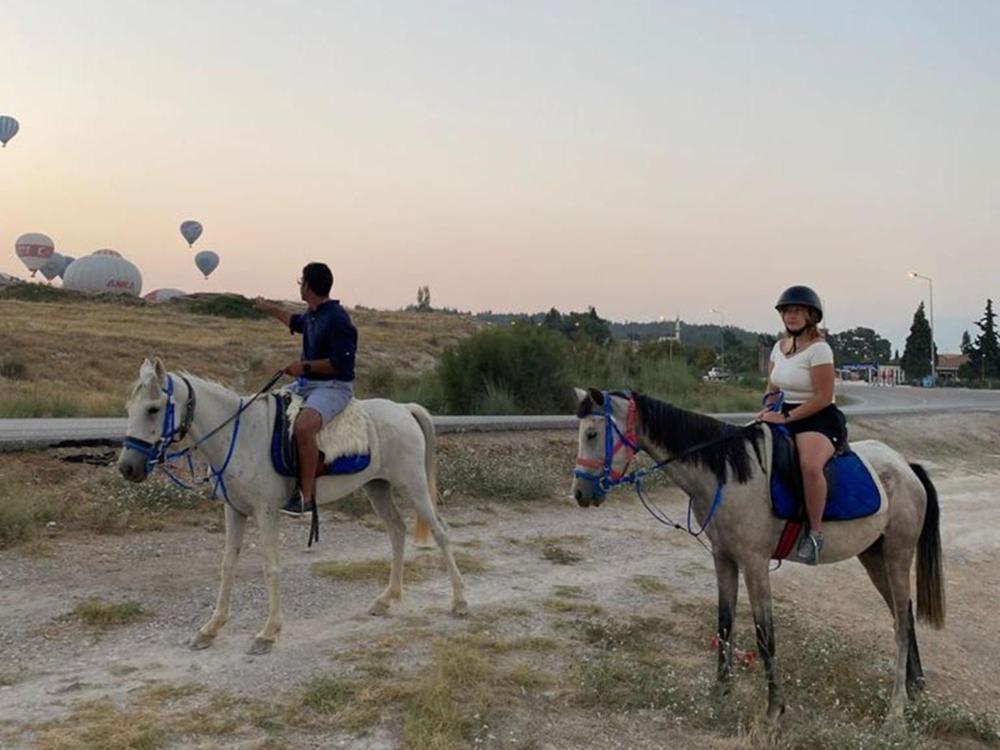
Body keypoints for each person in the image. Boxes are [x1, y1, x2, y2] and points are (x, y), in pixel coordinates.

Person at [254, 262, 358, 516]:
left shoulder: (338, 319)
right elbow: (295, 321)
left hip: (334, 387)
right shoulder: (313, 314)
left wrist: (304, 367)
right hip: (308, 383)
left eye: (301, 281)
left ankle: (306, 497)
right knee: (264, 405)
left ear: (308, 286)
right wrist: (268, 308)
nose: (300, 286)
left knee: (303, 427)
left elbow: (341, 364)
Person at [758, 285, 847, 565]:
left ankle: (815, 533)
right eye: (787, 311)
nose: (791, 316)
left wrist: (785, 418)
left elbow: (822, 396)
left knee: (809, 465)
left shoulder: (820, 350)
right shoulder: (778, 348)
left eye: (797, 311)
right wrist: (766, 411)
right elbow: (773, 388)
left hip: (818, 417)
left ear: (811, 315)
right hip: (783, 412)